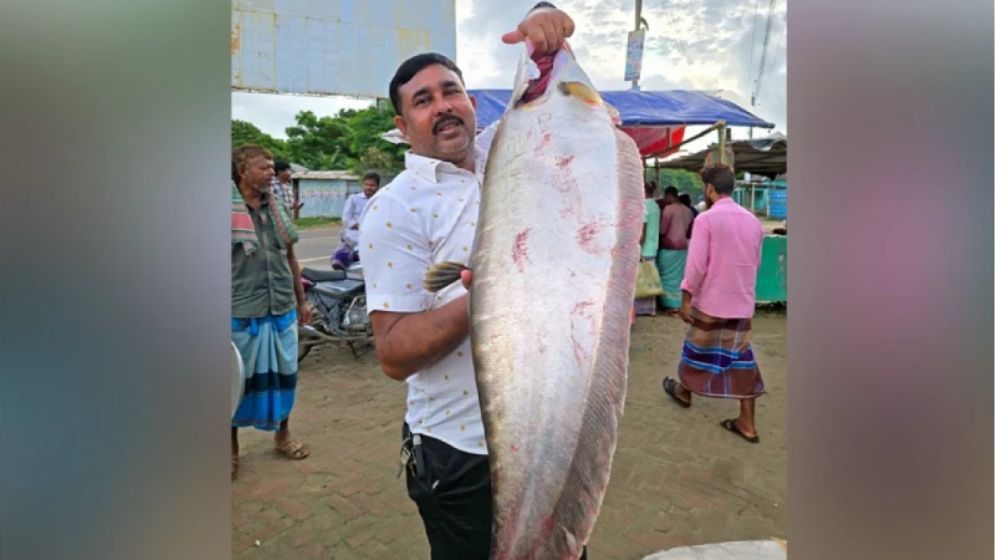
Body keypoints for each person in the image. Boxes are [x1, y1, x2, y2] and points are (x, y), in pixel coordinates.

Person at [359, 5, 581, 558]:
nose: (442, 107)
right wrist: (486, 295)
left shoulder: (512, 148)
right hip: (460, 450)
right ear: (401, 126)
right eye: (423, 100)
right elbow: (393, 354)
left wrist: (542, 20)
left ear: (471, 102)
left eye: (449, 91)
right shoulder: (393, 209)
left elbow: (556, 91)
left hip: (550, 423)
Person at [661, 164, 766, 443]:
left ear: (709, 189)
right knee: (741, 358)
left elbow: (696, 266)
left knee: (696, 347)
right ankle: (747, 422)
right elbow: (756, 262)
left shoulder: (707, 220)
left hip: (710, 301)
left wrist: (686, 298)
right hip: (741, 302)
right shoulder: (753, 221)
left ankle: (684, 391)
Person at [230, 144, 311, 480]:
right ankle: (230, 451)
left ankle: (283, 436)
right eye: (263, 167)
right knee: (233, 385)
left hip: (281, 307)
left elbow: (290, 258)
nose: (270, 172)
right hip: (241, 308)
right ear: (242, 170)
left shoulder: (277, 209)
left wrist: (302, 302)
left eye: (270, 167)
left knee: (285, 375)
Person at [330, 171, 380, 269]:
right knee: (340, 259)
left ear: (378, 186)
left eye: (372, 185)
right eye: (366, 184)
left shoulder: (380, 200)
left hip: (372, 238)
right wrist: (360, 226)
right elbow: (346, 218)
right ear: (362, 185)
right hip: (352, 237)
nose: (369, 187)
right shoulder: (354, 199)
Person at [657, 185, 695, 311]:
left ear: (669, 195)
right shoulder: (688, 211)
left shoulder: (668, 209)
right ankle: (677, 303)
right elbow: (689, 232)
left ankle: (667, 303)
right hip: (682, 249)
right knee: (678, 277)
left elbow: (662, 230)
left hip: (668, 248)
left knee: (666, 276)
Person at [636, 182, 661, 315]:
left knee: (641, 277)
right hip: (654, 246)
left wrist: (638, 246)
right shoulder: (656, 206)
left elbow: (643, 230)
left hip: (645, 248)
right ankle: (651, 308)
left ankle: (641, 309)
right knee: (651, 277)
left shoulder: (644, 206)